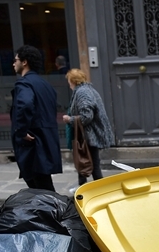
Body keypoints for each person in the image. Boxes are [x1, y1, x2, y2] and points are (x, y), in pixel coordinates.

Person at [11, 45, 62, 191]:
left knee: (40, 190)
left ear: (24, 62)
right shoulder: (45, 85)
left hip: (34, 145)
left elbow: (25, 104)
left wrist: (21, 132)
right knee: (43, 187)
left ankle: (57, 213)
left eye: (16, 60)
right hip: (46, 141)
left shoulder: (24, 83)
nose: (13, 64)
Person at [62, 69, 115, 187]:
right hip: (88, 134)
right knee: (84, 160)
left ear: (73, 81)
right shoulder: (86, 90)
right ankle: (83, 186)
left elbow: (87, 116)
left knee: (93, 164)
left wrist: (70, 120)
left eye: (69, 81)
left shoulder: (82, 92)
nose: (68, 83)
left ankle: (100, 189)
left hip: (90, 135)